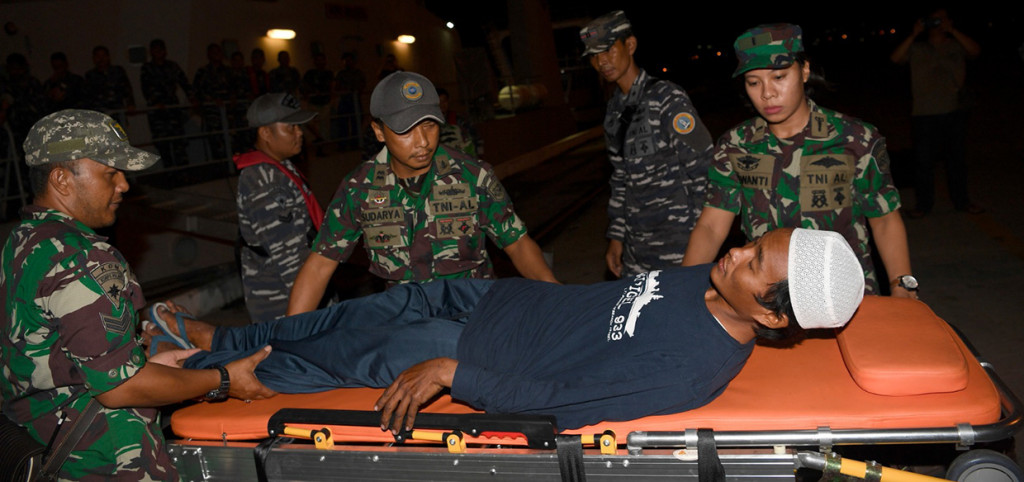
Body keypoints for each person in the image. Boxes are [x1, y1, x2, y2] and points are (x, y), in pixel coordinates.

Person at [170, 226, 864, 433]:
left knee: (345, 355)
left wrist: (455, 375)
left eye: (754, 262)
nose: (737, 251)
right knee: (356, 312)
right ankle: (223, 340)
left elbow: (562, 404)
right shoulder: (708, 282)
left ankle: (203, 378)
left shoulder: (690, 369)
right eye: (753, 242)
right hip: (498, 298)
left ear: (771, 315)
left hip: (474, 349)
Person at [0, 109, 274, 480]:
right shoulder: (83, 256)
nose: (124, 185)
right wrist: (223, 380)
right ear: (62, 179)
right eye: (110, 173)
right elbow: (120, 386)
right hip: (105, 462)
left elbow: (60, 356)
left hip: (47, 447)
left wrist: (146, 365)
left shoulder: (22, 242)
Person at [287, 71, 558, 314]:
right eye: (405, 130)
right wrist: (287, 334)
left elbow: (517, 243)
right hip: (407, 324)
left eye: (430, 125)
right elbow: (320, 264)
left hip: (474, 316)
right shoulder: (359, 188)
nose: (423, 142)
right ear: (379, 131)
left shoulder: (472, 176)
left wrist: (559, 300)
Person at [683, 23, 916, 298]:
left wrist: (902, 285)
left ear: (804, 70)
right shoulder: (736, 145)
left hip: (843, 294)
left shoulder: (856, 139)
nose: (767, 93)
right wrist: (681, 289)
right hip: (764, 299)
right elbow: (711, 227)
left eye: (779, 77)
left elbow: (885, 219)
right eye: (754, 82)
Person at [579, 10, 714, 277]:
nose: (601, 61)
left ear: (630, 45)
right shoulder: (614, 111)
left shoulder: (667, 98)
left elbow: (705, 168)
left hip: (680, 243)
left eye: (608, 50)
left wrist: (702, 241)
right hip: (637, 249)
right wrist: (616, 236)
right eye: (593, 56)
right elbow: (621, 179)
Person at [233, 93, 324, 322]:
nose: (299, 132)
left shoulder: (278, 167)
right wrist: (315, 308)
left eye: (298, 126)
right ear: (265, 133)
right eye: (291, 127)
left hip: (300, 291)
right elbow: (290, 258)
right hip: (284, 301)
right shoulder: (264, 182)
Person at [889, 7, 983, 217]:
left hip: (954, 110)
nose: (936, 24)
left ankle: (962, 201)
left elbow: (975, 51)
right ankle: (923, 205)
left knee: (956, 160)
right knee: (923, 161)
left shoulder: (955, 45)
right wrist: (914, 34)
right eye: (933, 20)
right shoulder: (917, 47)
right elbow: (895, 58)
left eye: (941, 20)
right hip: (923, 112)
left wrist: (953, 30)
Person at [140, 38, 193, 168]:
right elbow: (146, 89)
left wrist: (193, 98)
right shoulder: (147, 68)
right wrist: (156, 103)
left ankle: (183, 171)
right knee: (163, 144)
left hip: (173, 110)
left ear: (165, 51)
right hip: (157, 113)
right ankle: (169, 172)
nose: (158, 52)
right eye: (155, 50)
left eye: (160, 49)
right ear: (151, 52)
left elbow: (185, 83)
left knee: (178, 143)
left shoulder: (172, 66)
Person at [192, 42, 232, 160]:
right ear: (208, 55)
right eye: (213, 52)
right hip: (212, 114)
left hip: (227, 113)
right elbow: (196, 91)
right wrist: (211, 100)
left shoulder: (228, 71)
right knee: (215, 141)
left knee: (230, 140)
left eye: (218, 52)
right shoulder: (203, 71)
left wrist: (232, 98)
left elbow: (235, 88)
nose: (216, 54)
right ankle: (218, 164)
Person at [84, 44, 136, 115]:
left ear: (108, 57)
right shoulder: (90, 75)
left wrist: (130, 104)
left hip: (117, 110)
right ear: (94, 58)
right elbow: (87, 96)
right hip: (99, 113)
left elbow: (127, 90)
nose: (101, 59)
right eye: (98, 56)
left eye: (103, 56)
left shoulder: (117, 71)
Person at [437, 86, 482, 157]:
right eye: (440, 102)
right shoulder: (432, 123)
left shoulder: (458, 119)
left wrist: (479, 154)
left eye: (444, 101)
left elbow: (475, 136)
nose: (442, 104)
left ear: (448, 102)